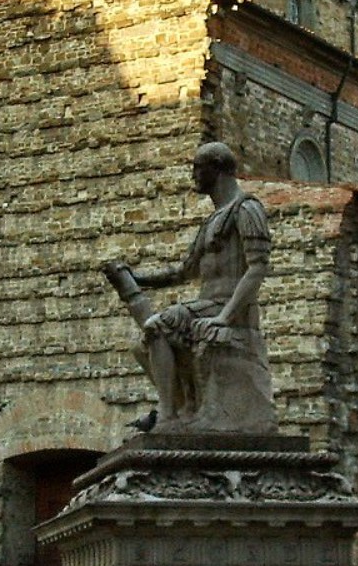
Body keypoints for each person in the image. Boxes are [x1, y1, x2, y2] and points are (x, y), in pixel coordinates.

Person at [103, 143, 275, 435]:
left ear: (217, 168)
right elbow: (183, 272)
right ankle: (185, 408)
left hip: (227, 307)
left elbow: (258, 267)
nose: (193, 174)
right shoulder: (213, 219)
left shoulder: (246, 209)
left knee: (158, 326)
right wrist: (137, 278)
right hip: (207, 306)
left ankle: (168, 417)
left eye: (198, 166)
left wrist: (225, 318)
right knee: (139, 346)